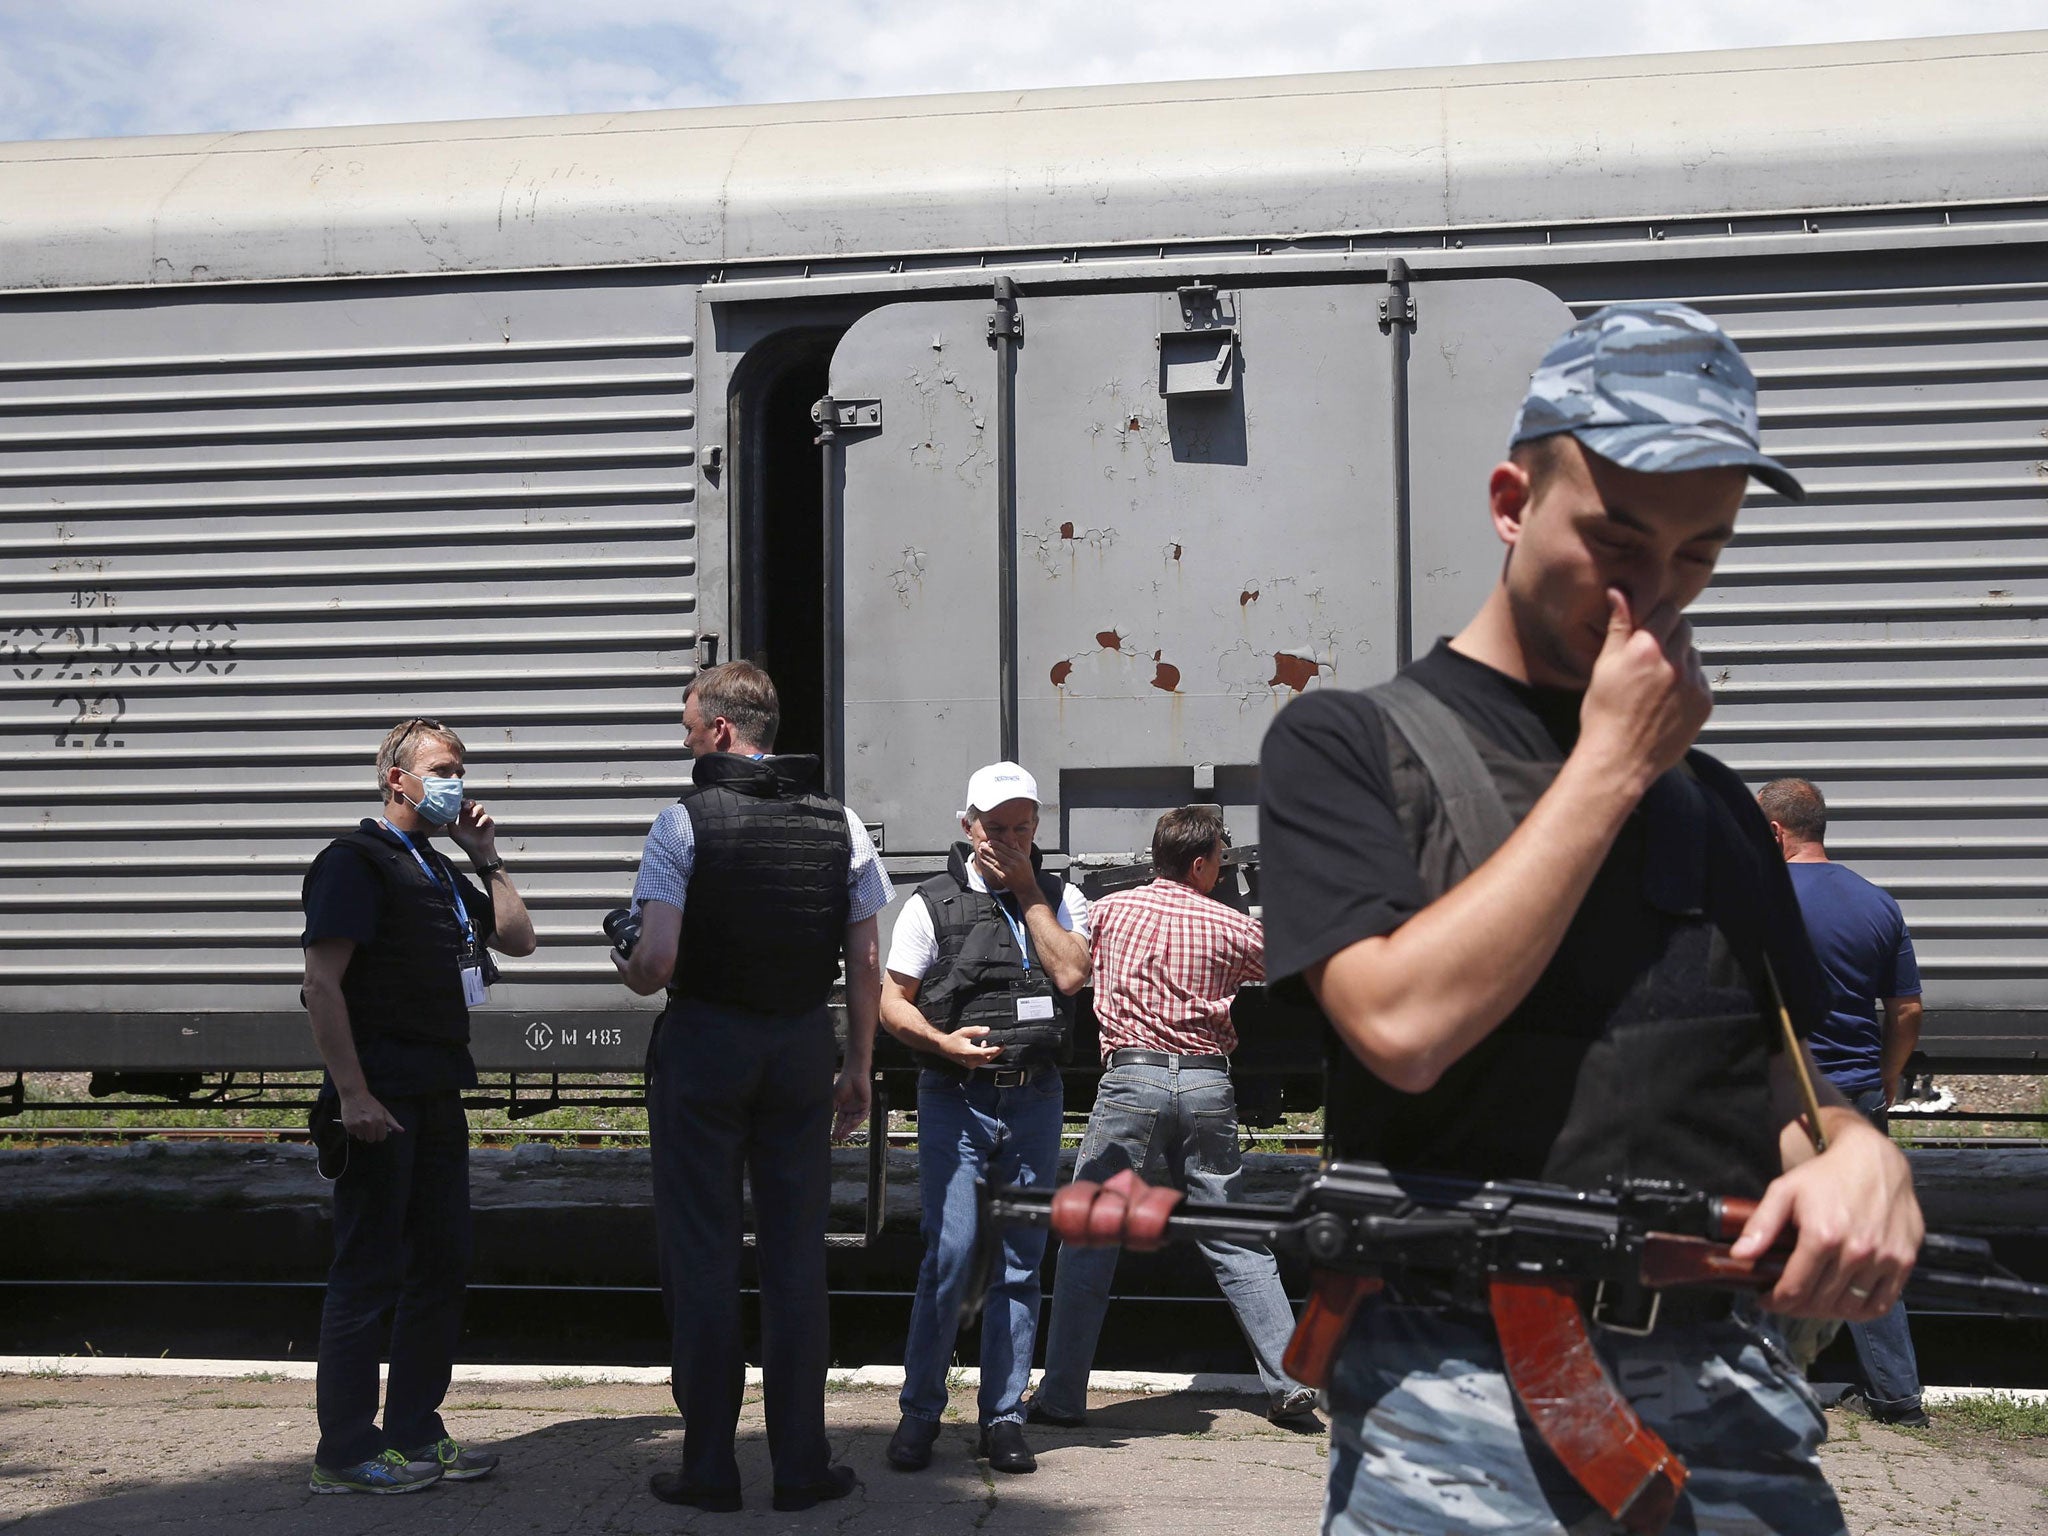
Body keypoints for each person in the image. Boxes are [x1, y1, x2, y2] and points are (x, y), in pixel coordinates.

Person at [1251, 303, 1922, 1534]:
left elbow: (1773, 1089)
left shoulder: (1709, 801)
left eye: (1698, 555)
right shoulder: (1349, 746)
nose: (1653, 592)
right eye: (1614, 539)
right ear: (1511, 501)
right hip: (1454, 1396)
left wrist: (1858, 1154)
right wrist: (1610, 767)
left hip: (1728, 1389)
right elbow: (1398, 1024)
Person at [616, 660, 888, 1513]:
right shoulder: (841, 825)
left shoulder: (680, 824)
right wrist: (858, 1065)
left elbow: (656, 962)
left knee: (700, 1255)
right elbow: (867, 960)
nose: (685, 738)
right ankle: (802, 1470)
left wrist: (621, 954)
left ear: (724, 732)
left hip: (705, 1047)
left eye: (689, 725)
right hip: (803, 1045)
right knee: (796, 1259)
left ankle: (708, 1470)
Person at [300, 716, 537, 1494]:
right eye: (442, 767)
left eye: (461, 768)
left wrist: (489, 859)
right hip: (381, 1097)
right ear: (396, 779)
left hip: (438, 1090)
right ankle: (343, 1453)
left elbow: (518, 939)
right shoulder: (354, 862)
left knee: (440, 1265)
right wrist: (353, 1092)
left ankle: (412, 1435)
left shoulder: (436, 869)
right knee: (367, 1271)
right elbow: (322, 985)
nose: (457, 781)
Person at [1028, 804, 1319, 1431]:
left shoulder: (1108, 913)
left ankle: (1061, 1399)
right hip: (1208, 1085)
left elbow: (1064, 959)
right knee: (1234, 1235)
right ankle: (1291, 1382)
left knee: (1092, 1239)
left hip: (1131, 1082)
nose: (1221, 868)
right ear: (1199, 863)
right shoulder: (1226, 923)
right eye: (1219, 857)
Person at [878, 761, 1092, 1475]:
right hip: (955, 1101)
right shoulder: (929, 903)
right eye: (995, 828)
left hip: (1033, 1098)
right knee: (950, 1256)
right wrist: (940, 1044)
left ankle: (1003, 1418)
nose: (1008, 840)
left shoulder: (1061, 897)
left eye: (1021, 829)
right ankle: (919, 1415)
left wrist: (1028, 890)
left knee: (1019, 1266)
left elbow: (1071, 976)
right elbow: (892, 1001)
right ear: (968, 827)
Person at [1759, 776, 1929, 1428]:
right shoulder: (1876, 903)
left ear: (1774, 832)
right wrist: (1888, 1074)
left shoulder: (1756, 900)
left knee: (1770, 1232)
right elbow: (1907, 1008)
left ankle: (1776, 1383)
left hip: (1784, 1098)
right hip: (1857, 1093)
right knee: (1865, 1234)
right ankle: (1898, 1394)